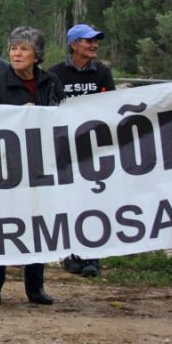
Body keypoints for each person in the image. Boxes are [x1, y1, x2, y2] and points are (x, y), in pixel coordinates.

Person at [0, 26, 64, 306]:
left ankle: (35, 286)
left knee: (38, 224)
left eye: (24, 49)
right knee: (0, 224)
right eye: (14, 48)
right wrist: (17, 117)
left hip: (40, 164)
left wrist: (40, 115)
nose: (17, 53)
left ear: (37, 55)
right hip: (5, 166)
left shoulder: (50, 81)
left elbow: (59, 115)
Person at [47, 23, 116, 278]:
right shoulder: (54, 73)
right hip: (65, 148)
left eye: (96, 41)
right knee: (68, 201)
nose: (94, 45)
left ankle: (92, 257)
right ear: (74, 44)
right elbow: (50, 106)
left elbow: (111, 105)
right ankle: (70, 254)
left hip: (94, 147)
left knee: (94, 200)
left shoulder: (102, 73)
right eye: (88, 41)